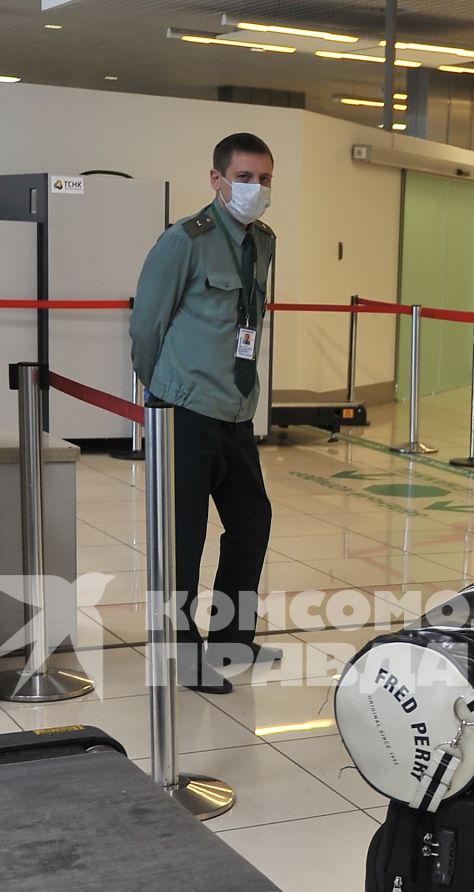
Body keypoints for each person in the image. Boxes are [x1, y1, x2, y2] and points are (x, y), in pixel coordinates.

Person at [130, 132, 283, 693]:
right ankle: (178, 653)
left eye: (264, 179)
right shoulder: (184, 241)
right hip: (184, 408)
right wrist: (163, 389)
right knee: (183, 537)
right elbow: (146, 325)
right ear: (217, 179)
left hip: (236, 408)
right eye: (244, 177)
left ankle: (230, 639)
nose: (255, 188)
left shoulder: (262, 241)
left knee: (251, 522)